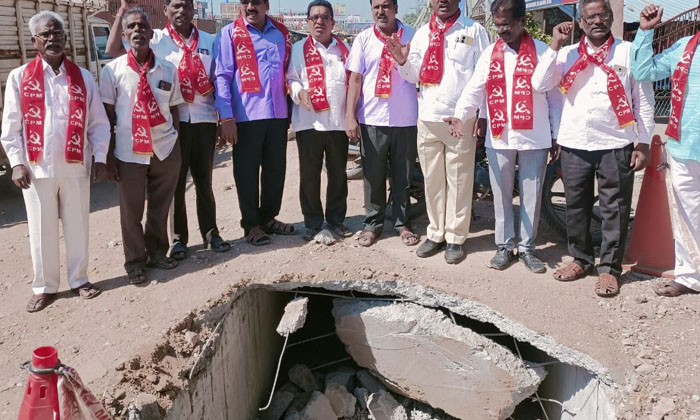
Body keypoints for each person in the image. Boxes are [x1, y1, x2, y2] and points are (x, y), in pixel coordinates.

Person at [531, 0, 654, 297]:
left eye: (603, 15)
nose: (597, 20)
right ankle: (581, 259)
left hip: (617, 142)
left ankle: (610, 270)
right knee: (576, 206)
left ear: (611, 18)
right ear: (582, 22)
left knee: (615, 208)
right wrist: (554, 44)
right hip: (575, 142)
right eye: (590, 16)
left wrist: (644, 142)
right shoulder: (567, 54)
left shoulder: (628, 51)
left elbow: (644, 99)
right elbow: (539, 84)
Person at [0, 11, 110, 312]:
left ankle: (79, 279)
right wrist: (17, 162)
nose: (53, 39)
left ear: (66, 37)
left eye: (57, 33)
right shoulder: (20, 77)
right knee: (40, 229)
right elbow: (11, 125)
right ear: (35, 41)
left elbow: (98, 123)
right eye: (46, 35)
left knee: (78, 225)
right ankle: (44, 286)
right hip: (36, 170)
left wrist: (100, 157)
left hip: (75, 166)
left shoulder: (83, 77)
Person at [104, 0, 230, 260]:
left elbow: (219, 80)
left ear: (194, 10)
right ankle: (179, 239)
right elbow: (113, 49)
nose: (181, 11)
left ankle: (211, 233)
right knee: (176, 185)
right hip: (173, 123)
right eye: (175, 6)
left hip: (205, 120)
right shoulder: (155, 37)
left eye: (186, 6)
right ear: (166, 12)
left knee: (205, 182)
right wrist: (122, 11)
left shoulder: (210, 40)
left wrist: (222, 119)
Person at [445, 0, 562, 271]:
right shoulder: (489, 54)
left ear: (522, 21)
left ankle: (528, 248)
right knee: (501, 194)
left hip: (535, 136)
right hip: (499, 136)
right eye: (497, 25)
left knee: (531, 194)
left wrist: (556, 133)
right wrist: (461, 115)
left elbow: (555, 99)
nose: (501, 30)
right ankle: (504, 246)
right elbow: (475, 89)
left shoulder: (544, 52)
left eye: (506, 24)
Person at [387, 0, 487, 263]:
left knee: (459, 179)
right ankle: (436, 233)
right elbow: (413, 75)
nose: (442, 0)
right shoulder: (422, 34)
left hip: (460, 118)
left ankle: (455, 237)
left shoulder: (474, 31)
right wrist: (401, 61)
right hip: (428, 117)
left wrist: (482, 116)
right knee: (432, 180)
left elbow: (484, 76)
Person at [100, 9, 184, 284]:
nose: (137, 30)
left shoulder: (168, 69)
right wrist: (109, 157)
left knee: (160, 206)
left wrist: (174, 147)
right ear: (124, 35)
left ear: (151, 32)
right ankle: (135, 261)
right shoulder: (112, 71)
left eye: (142, 26)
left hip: (164, 148)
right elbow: (107, 116)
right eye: (131, 27)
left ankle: (158, 252)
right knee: (131, 211)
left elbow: (174, 111)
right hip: (129, 151)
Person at [631, 4, 700, 297]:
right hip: (685, 145)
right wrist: (645, 32)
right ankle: (689, 276)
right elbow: (644, 70)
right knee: (687, 214)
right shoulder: (685, 47)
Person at [214, 0, 295, 246]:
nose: (251, 6)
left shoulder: (280, 32)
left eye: (256, 2)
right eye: (246, 1)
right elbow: (222, 75)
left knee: (275, 170)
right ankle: (251, 224)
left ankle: (268, 217)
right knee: (247, 173)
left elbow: (287, 70)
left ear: (266, 5)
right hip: (246, 116)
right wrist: (226, 117)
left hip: (278, 114)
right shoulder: (229, 33)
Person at [345, 0, 419, 248]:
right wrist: (349, 116)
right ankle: (372, 224)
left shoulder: (412, 36)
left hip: (406, 118)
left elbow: (420, 72)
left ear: (396, 8)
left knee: (403, 176)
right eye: (376, 6)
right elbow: (355, 79)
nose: (381, 11)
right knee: (373, 176)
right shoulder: (364, 39)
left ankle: (401, 223)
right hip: (372, 119)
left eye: (386, 6)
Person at [287, 0, 353, 239]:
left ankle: (336, 221)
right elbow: (291, 79)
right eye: (314, 17)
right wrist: (299, 92)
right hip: (308, 123)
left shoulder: (345, 50)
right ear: (307, 22)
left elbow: (353, 83)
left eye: (325, 17)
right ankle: (313, 222)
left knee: (338, 174)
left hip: (337, 123)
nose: (319, 21)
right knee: (309, 175)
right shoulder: (297, 50)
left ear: (333, 22)